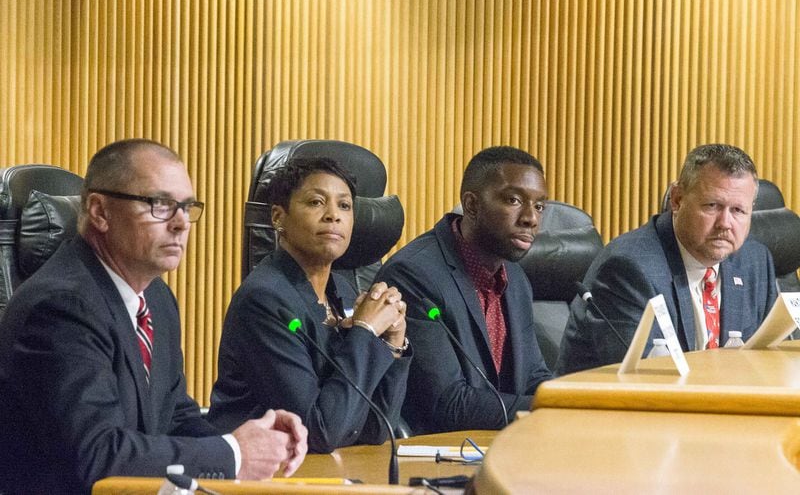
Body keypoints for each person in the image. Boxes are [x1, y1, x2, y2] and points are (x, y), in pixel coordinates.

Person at [0, 140, 307, 495]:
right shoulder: (60, 307)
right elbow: (98, 456)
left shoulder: (156, 298)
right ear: (100, 211)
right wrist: (235, 454)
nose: (181, 223)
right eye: (160, 204)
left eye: (187, 207)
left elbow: (175, 416)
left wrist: (253, 441)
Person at [207, 157, 411, 453]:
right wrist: (364, 333)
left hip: (326, 470)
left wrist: (393, 343)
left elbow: (375, 426)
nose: (333, 216)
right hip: (262, 474)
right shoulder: (264, 301)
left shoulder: (342, 290)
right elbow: (317, 432)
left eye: (344, 206)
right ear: (278, 217)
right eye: (316, 203)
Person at [374, 146, 553, 434]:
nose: (531, 218)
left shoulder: (515, 278)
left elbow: (533, 376)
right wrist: (551, 411)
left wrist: (575, 400)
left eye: (540, 206)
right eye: (514, 200)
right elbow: (449, 404)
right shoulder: (415, 275)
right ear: (471, 205)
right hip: (436, 454)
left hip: (505, 444)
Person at [556, 143, 778, 375]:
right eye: (712, 206)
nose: (725, 223)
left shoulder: (754, 261)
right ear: (677, 199)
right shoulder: (628, 268)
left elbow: (770, 361)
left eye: (738, 211)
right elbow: (644, 379)